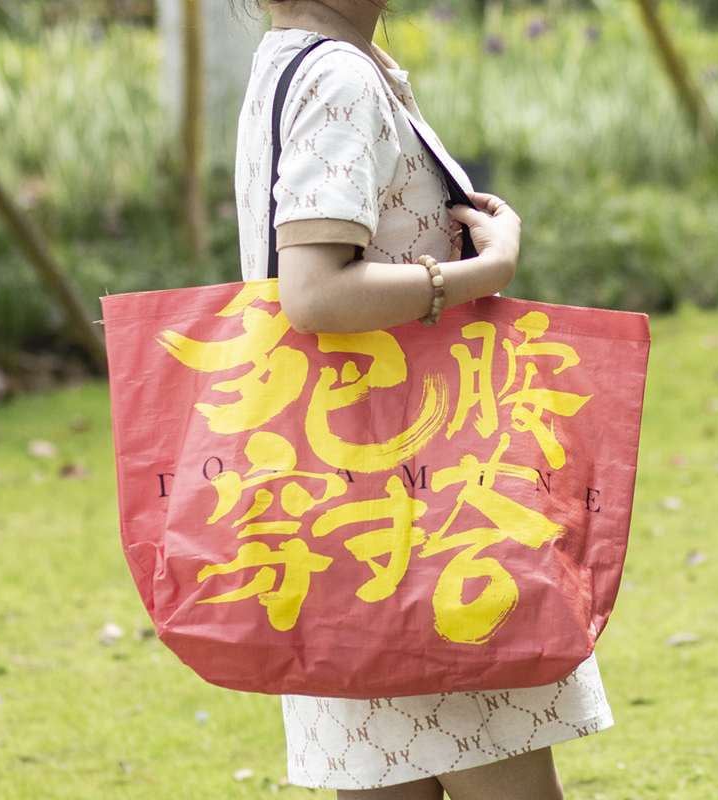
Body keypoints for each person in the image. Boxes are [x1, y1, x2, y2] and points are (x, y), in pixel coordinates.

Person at [232, 0, 613, 796]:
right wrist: (482, 271)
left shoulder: (291, 60)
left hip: (335, 510)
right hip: (425, 515)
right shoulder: (337, 75)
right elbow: (313, 293)